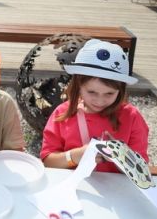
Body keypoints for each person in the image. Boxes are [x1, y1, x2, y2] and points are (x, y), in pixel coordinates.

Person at [40, 39, 149, 173]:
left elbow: (142, 169)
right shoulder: (62, 113)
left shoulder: (132, 117)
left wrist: (121, 157)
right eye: (92, 92)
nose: (99, 100)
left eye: (109, 93)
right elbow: (48, 161)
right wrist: (76, 156)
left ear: (120, 91)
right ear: (78, 86)